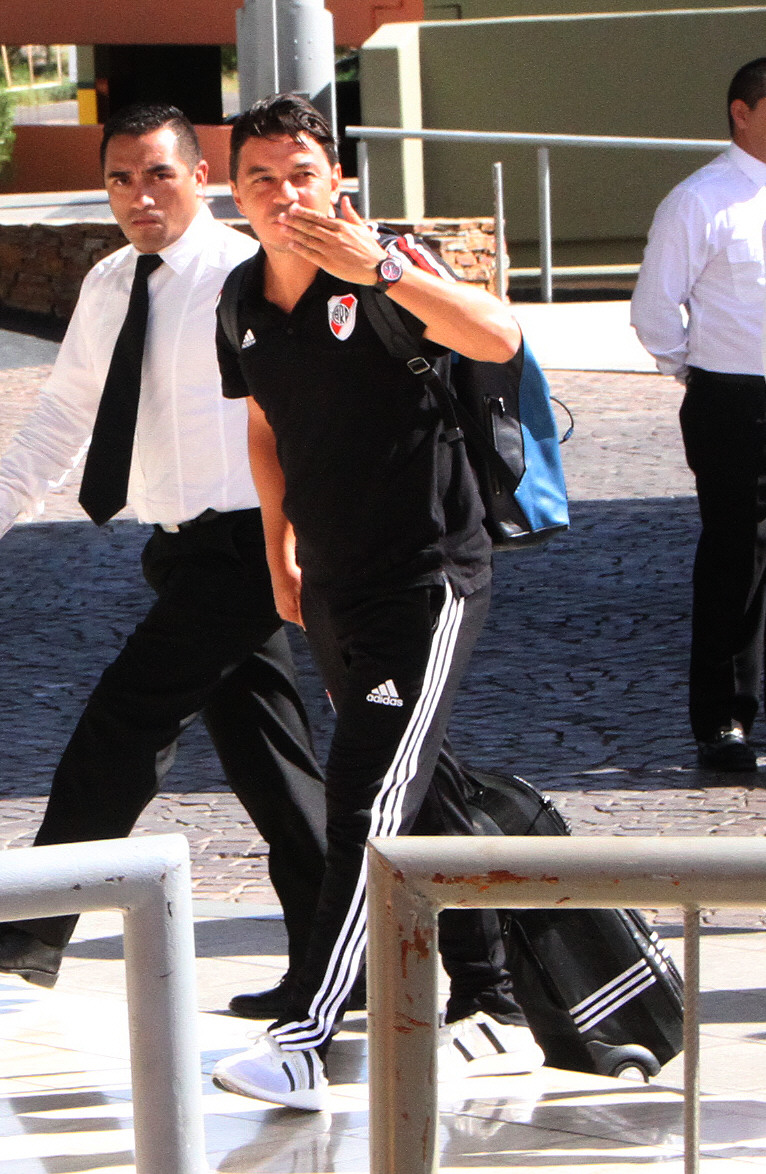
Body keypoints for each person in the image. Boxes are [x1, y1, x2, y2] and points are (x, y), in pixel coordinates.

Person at [211, 93, 544, 1112]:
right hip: (331, 578)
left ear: (336, 181)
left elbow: (499, 338)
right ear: (237, 194)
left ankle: (306, 1034)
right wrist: (278, 551)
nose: (284, 195)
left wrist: (385, 272)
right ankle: (494, 1002)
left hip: (427, 573)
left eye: (301, 174)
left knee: (365, 791)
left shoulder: (388, 263)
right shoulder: (240, 298)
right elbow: (265, 424)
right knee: (417, 777)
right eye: (262, 179)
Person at [0, 102, 329, 1010]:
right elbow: (61, 417)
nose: (140, 196)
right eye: (120, 179)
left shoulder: (246, 274)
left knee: (124, 722)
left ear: (201, 178)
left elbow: (306, 417)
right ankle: (339, 958)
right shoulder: (111, 282)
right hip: (179, 551)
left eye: (159, 175)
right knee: (271, 763)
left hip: (251, 546)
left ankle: (25, 932)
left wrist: (301, 540)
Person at [631, 58, 766, 772]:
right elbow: (655, 308)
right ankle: (724, 720)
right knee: (736, 559)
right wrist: (697, 370)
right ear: (742, 112)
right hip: (736, 402)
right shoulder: (699, 199)